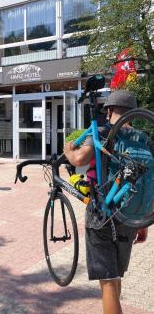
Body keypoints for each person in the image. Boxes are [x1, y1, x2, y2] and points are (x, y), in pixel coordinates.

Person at [64, 90, 149, 314]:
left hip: (101, 214)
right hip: (131, 215)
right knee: (115, 275)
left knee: (108, 282)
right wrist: (142, 221)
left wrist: (69, 151)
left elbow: (80, 159)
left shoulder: (103, 131)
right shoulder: (143, 139)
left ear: (109, 110)